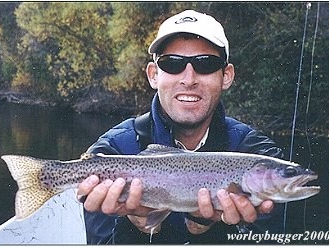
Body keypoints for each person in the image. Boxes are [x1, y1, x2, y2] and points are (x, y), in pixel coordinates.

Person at [77, 10, 285, 244]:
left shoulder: (258, 154)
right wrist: (138, 228)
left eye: (205, 64)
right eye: (172, 64)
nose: (188, 79)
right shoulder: (110, 152)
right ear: (153, 75)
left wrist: (204, 229)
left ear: (226, 76)